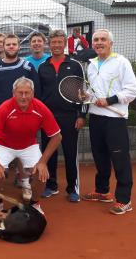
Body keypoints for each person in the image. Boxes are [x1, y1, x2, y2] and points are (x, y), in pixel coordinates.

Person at [0, 77, 62, 209]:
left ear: (33, 93)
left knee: (41, 174)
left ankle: (34, 203)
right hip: (3, 145)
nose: (23, 97)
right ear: (13, 93)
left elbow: (57, 137)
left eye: (27, 93)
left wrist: (42, 162)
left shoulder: (40, 108)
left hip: (28, 145)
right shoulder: (4, 108)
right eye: (20, 93)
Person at [82, 29, 136, 215]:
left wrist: (109, 100)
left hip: (115, 119)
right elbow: (92, 92)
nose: (99, 42)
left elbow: (133, 90)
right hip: (96, 117)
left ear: (110, 43)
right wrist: (85, 96)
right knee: (100, 157)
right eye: (96, 40)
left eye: (103, 39)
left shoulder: (121, 62)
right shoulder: (91, 65)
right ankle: (102, 191)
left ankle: (124, 200)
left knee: (119, 159)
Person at [38, 30, 86, 202]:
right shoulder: (43, 67)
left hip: (70, 116)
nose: (56, 45)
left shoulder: (75, 65)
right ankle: (51, 185)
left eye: (59, 42)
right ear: (49, 45)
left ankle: (72, 188)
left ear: (64, 43)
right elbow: (39, 94)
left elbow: (82, 92)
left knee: (70, 152)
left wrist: (81, 115)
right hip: (48, 118)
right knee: (48, 152)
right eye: (53, 42)